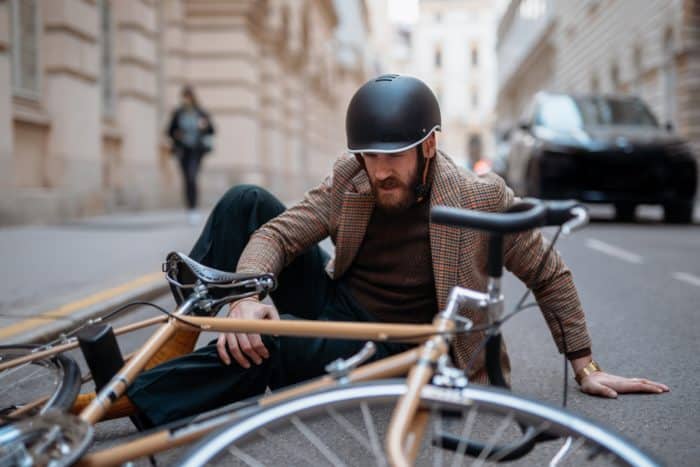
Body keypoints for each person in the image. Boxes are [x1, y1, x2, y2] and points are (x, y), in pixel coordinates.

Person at [127, 75, 668, 427]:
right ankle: (173, 342)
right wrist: (247, 295)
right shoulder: (352, 176)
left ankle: (133, 397)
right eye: (368, 156)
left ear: (428, 145)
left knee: (265, 346)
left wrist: (586, 365)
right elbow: (279, 234)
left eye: (394, 156)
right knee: (245, 202)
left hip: (397, 346)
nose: (380, 170)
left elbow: (548, 273)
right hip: (337, 303)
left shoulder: (479, 198)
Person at [167, 85, 215, 224]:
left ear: (192, 98)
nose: (186, 100)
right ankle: (190, 208)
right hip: (183, 151)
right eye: (184, 97)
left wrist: (204, 126)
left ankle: (194, 209)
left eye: (188, 97)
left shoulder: (200, 112)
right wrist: (177, 134)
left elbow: (212, 130)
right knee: (187, 178)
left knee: (192, 176)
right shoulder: (178, 113)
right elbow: (169, 131)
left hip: (196, 150)